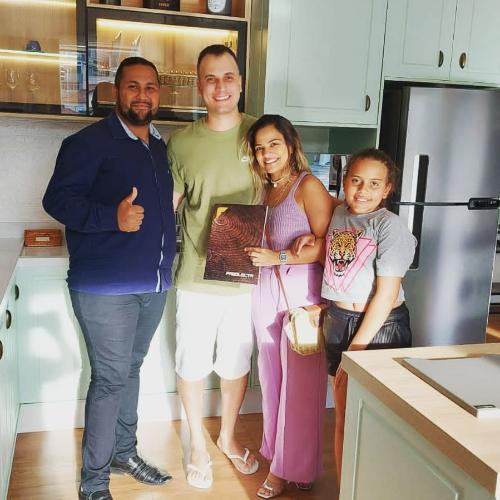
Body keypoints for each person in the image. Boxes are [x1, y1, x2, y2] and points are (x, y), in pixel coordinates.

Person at [43, 57, 176, 500]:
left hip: (153, 284)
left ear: (159, 94)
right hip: (105, 287)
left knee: (130, 371)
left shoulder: (159, 146)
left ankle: (123, 453)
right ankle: (93, 483)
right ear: (115, 91)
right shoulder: (88, 142)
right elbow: (57, 200)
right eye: (133, 86)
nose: (142, 95)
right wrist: (111, 218)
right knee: (110, 379)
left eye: (150, 87)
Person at [167, 44, 259, 489]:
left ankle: (226, 437)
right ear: (199, 86)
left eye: (228, 77)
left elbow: (287, 190)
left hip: (245, 276)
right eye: (210, 78)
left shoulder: (261, 134)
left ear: (240, 82)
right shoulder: (181, 143)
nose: (220, 86)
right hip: (196, 276)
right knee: (192, 361)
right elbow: (170, 206)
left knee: (236, 362)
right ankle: (197, 445)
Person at [295, 148, 416, 483]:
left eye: (375, 184)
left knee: (381, 419)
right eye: (356, 181)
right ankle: (347, 490)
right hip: (339, 321)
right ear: (344, 181)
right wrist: (313, 238)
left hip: (380, 328)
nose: (363, 190)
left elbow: (386, 294)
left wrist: (357, 350)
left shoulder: (389, 226)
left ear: (388, 188)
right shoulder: (339, 213)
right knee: (347, 416)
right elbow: (340, 259)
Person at [244, 114, 340, 499]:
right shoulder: (264, 191)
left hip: (302, 295)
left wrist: (280, 257)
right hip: (265, 291)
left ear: (290, 145)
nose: (266, 154)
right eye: (259, 148)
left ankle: (285, 470)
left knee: (301, 387)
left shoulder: (308, 185)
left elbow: (331, 244)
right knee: (272, 381)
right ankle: (288, 460)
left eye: (273, 144)